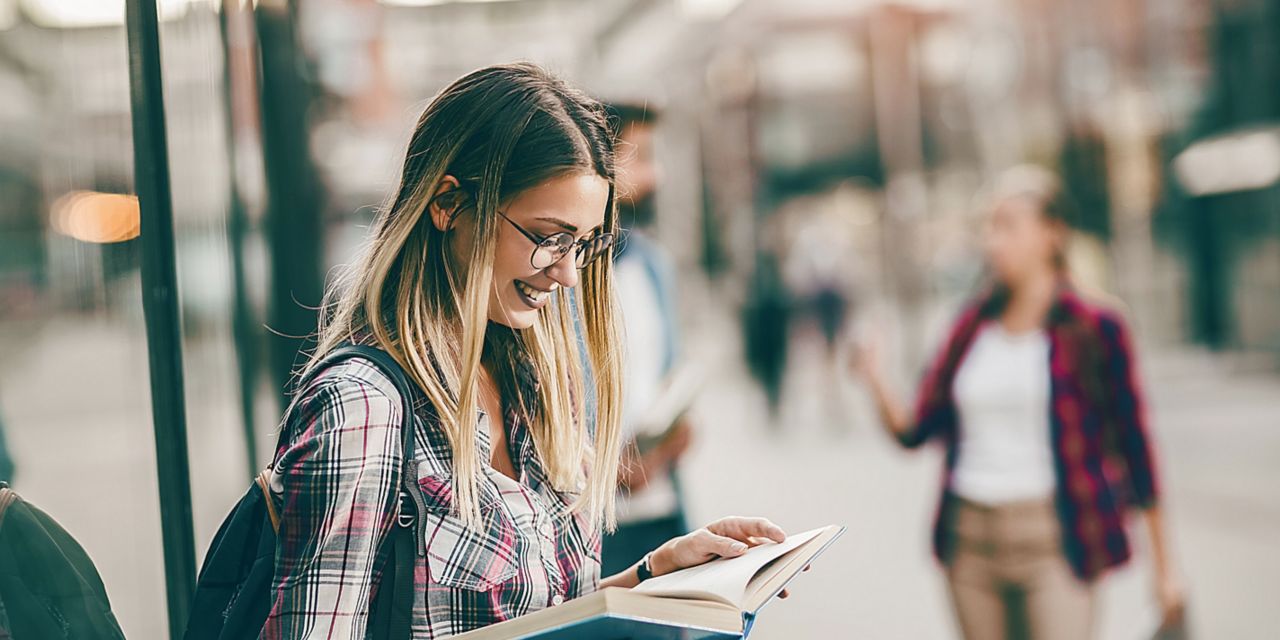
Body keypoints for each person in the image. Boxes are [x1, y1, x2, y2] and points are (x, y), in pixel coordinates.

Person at [261, 63, 787, 638]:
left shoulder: (528, 381)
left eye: (584, 244)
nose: (567, 273)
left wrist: (657, 571)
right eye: (548, 237)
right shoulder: (362, 410)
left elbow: (532, 618)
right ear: (448, 204)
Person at [851, 166, 1185, 640]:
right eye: (988, 226)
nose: (992, 241)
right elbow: (914, 430)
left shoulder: (1096, 326)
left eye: (1008, 225)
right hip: (970, 541)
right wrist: (873, 376)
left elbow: (1136, 448)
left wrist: (1165, 569)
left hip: (1057, 538)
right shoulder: (970, 326)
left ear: (1052, 233)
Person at [599, 102, 693, 577]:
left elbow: (668, 375)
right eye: (641, 156)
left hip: (662, 508)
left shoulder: (653, 264)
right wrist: (605, 468)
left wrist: (675, 435)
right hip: (590, 524)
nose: (655, 174)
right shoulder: (555, 278)